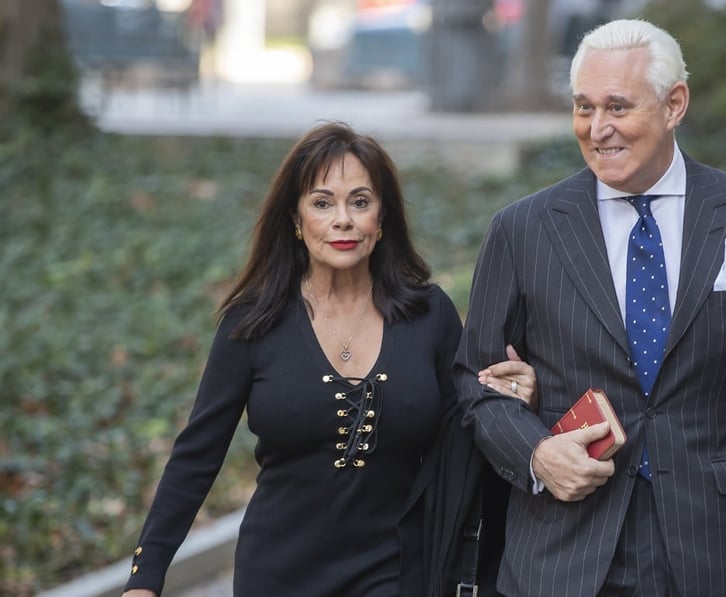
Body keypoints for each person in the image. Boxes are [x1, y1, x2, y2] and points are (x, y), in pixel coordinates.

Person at [454, 18, 726, 597]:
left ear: (674, 103)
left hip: (713, 547)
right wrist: (536, 453)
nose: (597, 128)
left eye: (618, 106)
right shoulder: (523, 229)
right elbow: (475, 380)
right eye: (584, 107)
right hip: (564, 552)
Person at [123, 122, 535, 597]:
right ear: (296, 220)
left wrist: (514, 398)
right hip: (275, 574)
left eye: (360, 201)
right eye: (322, 203)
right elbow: (198, 453)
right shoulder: (252, 322)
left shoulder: (430, 314)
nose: (343, 219)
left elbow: (468, 430)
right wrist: (145, 577)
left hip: (397, 570)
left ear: (381, 219)